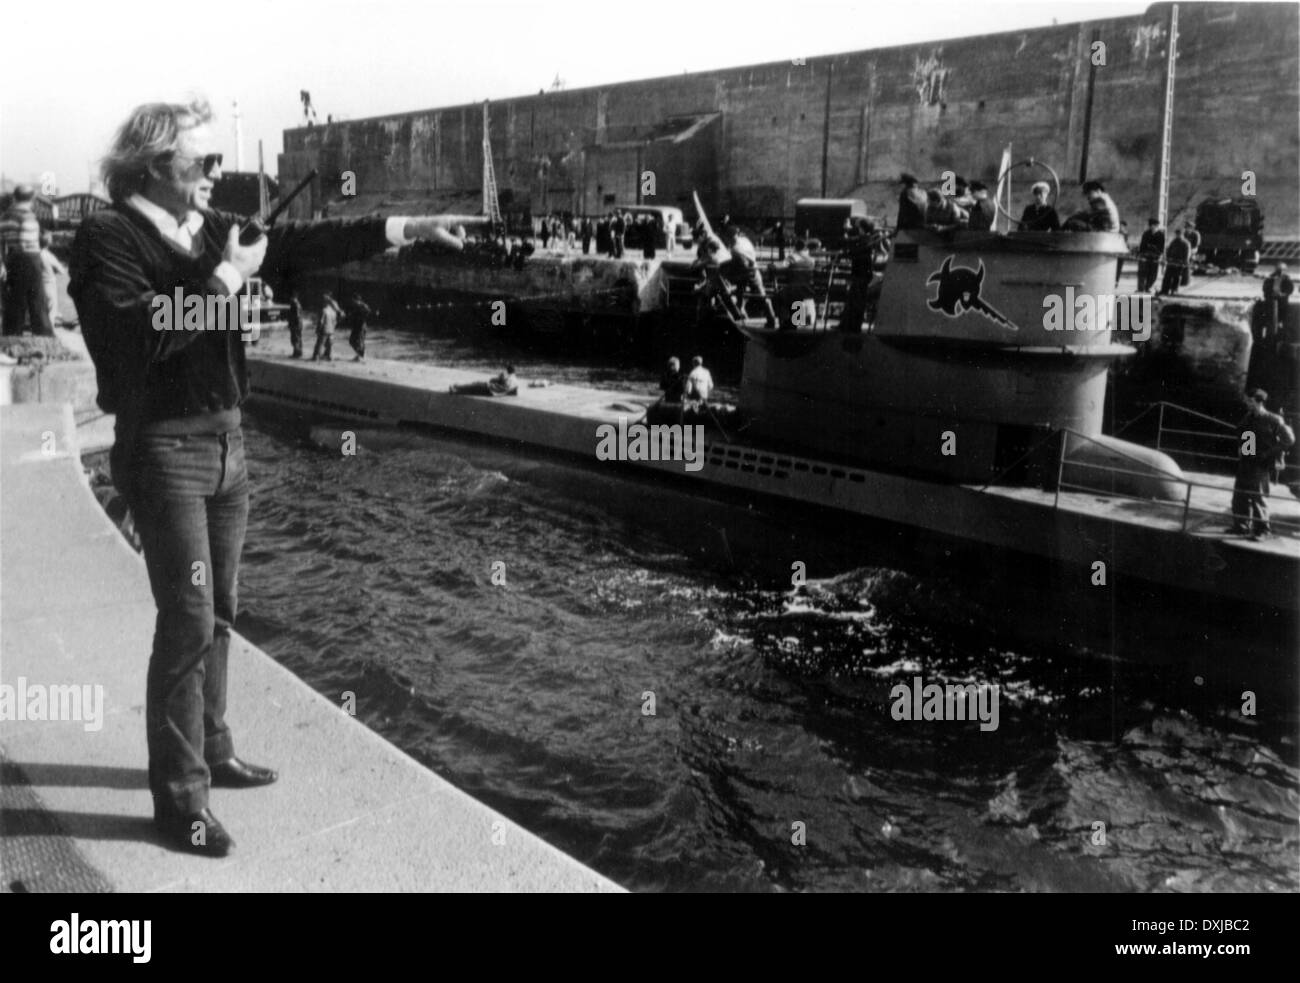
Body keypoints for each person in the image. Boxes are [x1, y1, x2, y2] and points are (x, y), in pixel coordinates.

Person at [69, 98, 469, 857]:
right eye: (202, 160)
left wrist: (404, 228)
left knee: (222, 608)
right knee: (187, 619)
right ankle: (180, 800)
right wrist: (226, 276)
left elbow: (301, 243)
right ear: (152, 166)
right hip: (164, 448)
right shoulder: (108, 237)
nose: (215, 173)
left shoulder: (209, 227)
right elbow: (136, 335)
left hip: (228, 441)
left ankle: (213, 747)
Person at [1230, 388, 1295, 538]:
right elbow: (1244, 434)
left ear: (1260, 402)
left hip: (1261, 464)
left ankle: (1262, 530)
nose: (1247, 403)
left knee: (1258, 496)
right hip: (1247, 461)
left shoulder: (1274, 420)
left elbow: (1289, 439)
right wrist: (1244, 450)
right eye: (1247, 400)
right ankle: (1241, 526)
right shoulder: (1248, 417)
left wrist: (1269, 453)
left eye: (1250, 401)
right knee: (1240, 494)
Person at [1, 184, 54, 335]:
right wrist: (46, 239)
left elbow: (3, 241)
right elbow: (29, 243)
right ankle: (43, 334)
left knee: (15, 299)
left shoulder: (5, 216)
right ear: (32, 199)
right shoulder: (28, 216)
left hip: (12, 259)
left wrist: (3, 261)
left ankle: (11, 333)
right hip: (30, 258)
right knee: (37, 298)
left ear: (14, 198)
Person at [721, 224, 776, 328]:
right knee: (758, 295)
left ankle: (743, 320)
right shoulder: (744, 240)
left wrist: (727, 270)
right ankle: (769, 318)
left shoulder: (736, 249)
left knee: (748, 295)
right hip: (753, 270)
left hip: (747, 273)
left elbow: (743, 264)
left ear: (729, 237)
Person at [39, 232, 67, 329]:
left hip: (39, 283)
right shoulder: (48, 255)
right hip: (49, 283)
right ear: (49, 242)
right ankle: (50, 330)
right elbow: (61, 271)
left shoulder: (36, 254)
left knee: (42, 309)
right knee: (52, 309)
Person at [1263, 261, 1294, 337]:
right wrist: (1270, 295)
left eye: (1282, 270)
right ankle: (1270, 333)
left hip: (1282, 301)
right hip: (1271, 300)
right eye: (1279, 270)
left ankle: (1283, 333)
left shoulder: (1287, 278)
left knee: (1284, 317)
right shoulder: (1270, 277)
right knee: (1270, 318)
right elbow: (1265, 288)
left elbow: (1290, 289)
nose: (1280, 272)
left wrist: (1283, 294)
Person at [449, 364, 519, 396]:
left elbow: (492, 380)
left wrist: (500, 376)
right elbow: (514, 391)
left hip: (490, 388)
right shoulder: (515, 380)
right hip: (494, 391)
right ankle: (457, 390)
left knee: (475, 385)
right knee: (474, 389)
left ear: (508, 370)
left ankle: (457, 387)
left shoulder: (507, 377)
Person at [1136, 218, 1165, 293]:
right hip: (1145, 255)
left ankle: (1148, 287)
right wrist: (1140, 253)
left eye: (1155, 226)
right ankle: (1140, 288)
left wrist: (1158, 254)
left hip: (1155, 256)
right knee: (1142, 272)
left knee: (1153, 273)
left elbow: (1161, 247)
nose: (1153, 227)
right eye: (1152, 226)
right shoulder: (1146, 233)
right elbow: (1142, 245)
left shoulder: (1161, 235)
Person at [1159, 229, 1190, 296]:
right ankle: (1164, 290)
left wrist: (1184, 262)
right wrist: (1167, 258)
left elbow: (1187, 254)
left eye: (1179, 234)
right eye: (1177, 234)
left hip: (1179, 263)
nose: (1178, 235)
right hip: (1171, 262)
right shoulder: (1173, 242)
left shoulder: (1186, 243)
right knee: (1167, 277)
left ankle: (1174, 290)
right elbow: (1169, 251)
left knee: (1177, 277)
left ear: (1182, 234)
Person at [346, 292, 373, 361]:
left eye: (354, 300)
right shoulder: (356, 306)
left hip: (361, 326)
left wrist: (362, 318)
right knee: (352, 341)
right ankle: (360, 355)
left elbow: (368, 312)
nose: (352, 302)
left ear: (357, 300)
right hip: (356, 326)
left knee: (359, 341)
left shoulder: (363, 306)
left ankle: (360, 356)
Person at [313, 293, 340, 360]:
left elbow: (321, 322)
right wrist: (333, 328)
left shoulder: (323, 310)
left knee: (320, 343)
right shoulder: (333, 312)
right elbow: (335, 321)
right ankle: (329, 356)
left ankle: (316, 356)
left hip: (324, 329)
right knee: (329, 344)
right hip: (331, 330)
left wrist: (318, 329)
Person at [286, 291, 303, 358]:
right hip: (298, 324)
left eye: (292, 298)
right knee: (298, 338)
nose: (291, 299)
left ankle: (296, 353)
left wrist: (293, 325)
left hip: (295, 325)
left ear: (294, 298)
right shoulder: (297, 304)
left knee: (295, 339)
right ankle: (299, 352)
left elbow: (297, 316)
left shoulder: (295, 305)